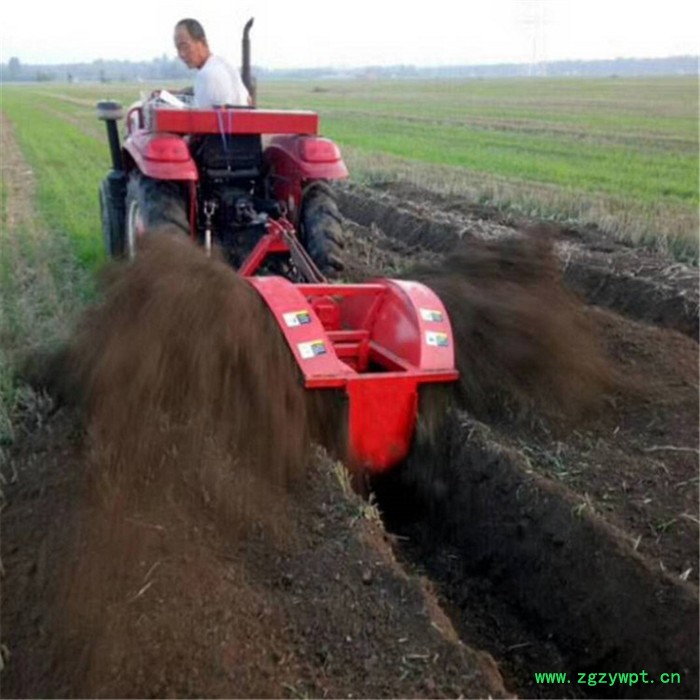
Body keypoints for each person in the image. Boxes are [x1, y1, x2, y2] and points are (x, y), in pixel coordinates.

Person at [173, 18, 250, 108]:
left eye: (185, 46)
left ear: (203, 42)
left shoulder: (206, 75)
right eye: (178, 49)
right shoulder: (225, 65)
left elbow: (203, 119)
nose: (181, 54)